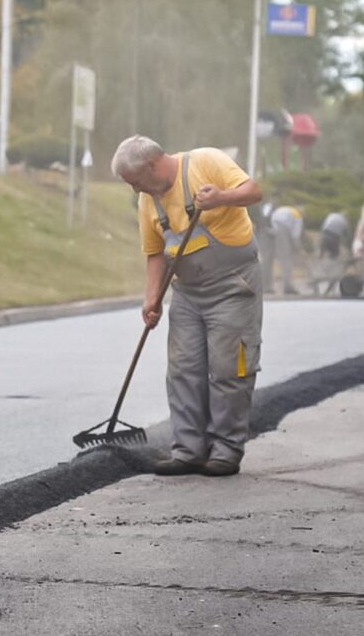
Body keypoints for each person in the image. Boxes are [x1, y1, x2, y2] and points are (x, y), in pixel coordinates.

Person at [113, 136, 264, 477]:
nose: (134, 189)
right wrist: (151, 299)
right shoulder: (148, 200)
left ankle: (225, 449)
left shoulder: (206, 161)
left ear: (151, 166)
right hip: (187, 293)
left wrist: (221, 197)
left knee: (229, 369)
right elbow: (155, 253)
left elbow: (254, 191)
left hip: (232, 287)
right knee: (183, 370)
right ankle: (188, 450)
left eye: (135, 180)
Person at [268, 203, 304, 295]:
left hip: (272, 227)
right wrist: (300, 250)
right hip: (282, 230)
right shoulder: (298, 216)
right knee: (286, 260)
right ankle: (287, 287)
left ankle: (269, 286)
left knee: (272, 258)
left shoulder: (287, 210)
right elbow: (295, 237)